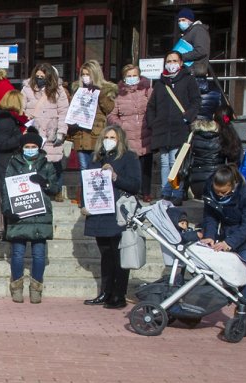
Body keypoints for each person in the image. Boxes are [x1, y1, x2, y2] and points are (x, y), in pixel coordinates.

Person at [81, 125, 142, 309]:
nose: (109, 140)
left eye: (113, 137)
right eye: (106, 137)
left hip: (118, 214)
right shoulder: (96, 158)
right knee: (106, 254)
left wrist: (116, 177)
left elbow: (135, 184)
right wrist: (85, 204)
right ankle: (105, 292)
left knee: (119, 255)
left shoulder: (129, 158)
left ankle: (119, 294)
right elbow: (87, 183)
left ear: (120, 139)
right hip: (99, 213)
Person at [1, 131, 61, 303]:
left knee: (39, 254)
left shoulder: (47, 165)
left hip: (40, 215)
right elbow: (6, 189)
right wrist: (7, 209)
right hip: (19, 214)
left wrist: (45, 183)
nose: (30, 149)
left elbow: (55, 188)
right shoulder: (13, 164)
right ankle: (17, 287)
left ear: (38, 147)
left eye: (33, 147)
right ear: (22, 148)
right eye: (27, 147)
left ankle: (36, 288)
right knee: (18, 253)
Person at [199, 165, 246, 305]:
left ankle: (243, 310)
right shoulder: (209, 190)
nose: (220, 195)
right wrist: (210, 235)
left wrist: (229, 243)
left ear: (233, 185)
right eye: (217, 191)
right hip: (229, 230)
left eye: (224, 192)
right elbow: (210, 216)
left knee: (242, 274)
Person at [146, 51, 200, 205]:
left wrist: (187, 117)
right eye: (168, 61)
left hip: (180, 128)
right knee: (164, 161)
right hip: (162, 128)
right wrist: (153, 122)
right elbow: (152, 106)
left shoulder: (188, 80)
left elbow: (196, 101)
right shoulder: (161, 83)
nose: (171, 64)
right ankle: (165, 192)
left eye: (174, 60)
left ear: (181, 63)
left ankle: (176, 191)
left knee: (175, 162)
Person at [68, 60, 117, 202]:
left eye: (88, 74)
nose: (85, 77)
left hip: (97, 135)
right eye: (83, 74)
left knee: (99, 167)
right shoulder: (78, 90)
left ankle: (102, 197)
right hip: (81, 135)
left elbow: (109, 109)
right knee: (84, 168)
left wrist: (100, 93)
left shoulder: (105, 90)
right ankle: (85, 198)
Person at [107, 64, 153, 201]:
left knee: (146, 165)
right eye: (129, 76)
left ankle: (146, 192)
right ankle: (134, 191)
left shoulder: (148, 90)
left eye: (134, 75)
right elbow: (111, 115)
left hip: (145, 132)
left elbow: (154, 107)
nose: (132, 78)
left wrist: (150, 122)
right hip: (128, 135)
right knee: (133, 165)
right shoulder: (118, 94)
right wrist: (122, 125)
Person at [21, 63, 69, 194]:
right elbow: (21, 108)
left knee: (54, 162)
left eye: (42, 76)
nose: (39, 79)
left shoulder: (59, 91)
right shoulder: (27, 89)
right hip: (34, 131)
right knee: (35, 162)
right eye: (37, 76)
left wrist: (61, 132)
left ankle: (55, 190)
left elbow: (64, 112)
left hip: (51, 132)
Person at [185, 107, 241, 199]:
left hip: (195, 182)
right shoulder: (228, 137)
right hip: (218, 181)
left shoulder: (196, 134)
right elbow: (234, 162)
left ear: (214, 116)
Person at [0, 90, 30, 184]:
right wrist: (21, 136)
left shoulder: (12, 119)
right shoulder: (5, 121)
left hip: (11, 163)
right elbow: (2, 144)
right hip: (6, 164)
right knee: (7, 196)